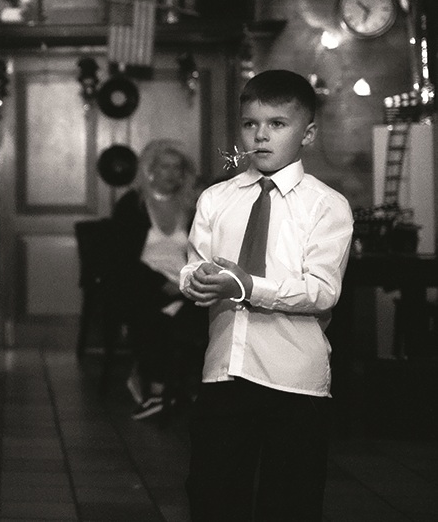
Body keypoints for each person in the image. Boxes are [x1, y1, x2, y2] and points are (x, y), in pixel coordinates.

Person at [180, 70, 353, 521]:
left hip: (293, 379)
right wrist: (195, 280)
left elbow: (322, 291)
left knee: (289, 502)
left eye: (277, 124)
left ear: (307, 133)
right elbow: (194, 262)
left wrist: (248, 286)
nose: (261, 135)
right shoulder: (216, 199)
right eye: (250, 124)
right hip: (225, 370)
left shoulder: (326, 205)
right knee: (212, 494)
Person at [111, 139, 205, 421]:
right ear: (151, 170)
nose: (172, 173)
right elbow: (122, 260)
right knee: (151, 316)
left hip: (185, 283)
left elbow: (203, 253)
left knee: (201, 317)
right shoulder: (133, 204)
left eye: (178, 168)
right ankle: (156, 391)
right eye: (165, 167)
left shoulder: (191, 206)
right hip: (143, 284)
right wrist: (161, 285)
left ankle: (185, 389)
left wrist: (185, 284)